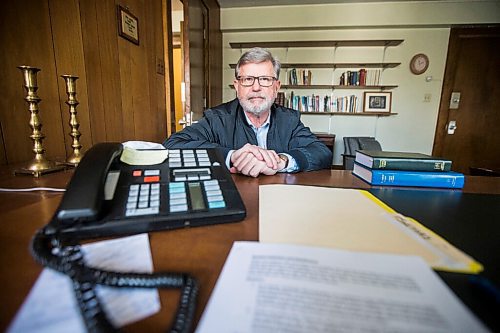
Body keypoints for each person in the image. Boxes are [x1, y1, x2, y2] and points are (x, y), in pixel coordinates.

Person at [163, 47, 332, 177]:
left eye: (265, 79)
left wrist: (281, 161)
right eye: (247, 79)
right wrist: (231, 156)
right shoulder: (217, 118)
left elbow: (322, 152)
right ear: (237, 86)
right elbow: (172, 145)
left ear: (276, 87)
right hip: (233, 197)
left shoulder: (289, 120)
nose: (256, 87)